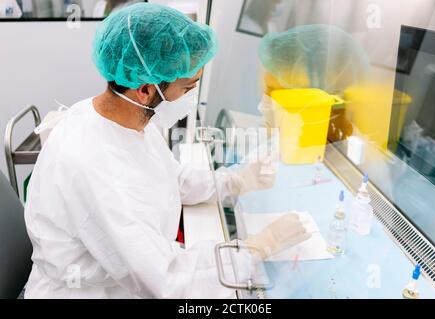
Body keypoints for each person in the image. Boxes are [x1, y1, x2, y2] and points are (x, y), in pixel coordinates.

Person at [24, 3, 310, 299]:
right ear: (145, 90)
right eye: (187, 88)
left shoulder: (122, 120)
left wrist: (235, 181)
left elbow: (169, 179)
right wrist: (257, 248)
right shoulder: (96, 167)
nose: (190, 98)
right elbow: (168, 281)